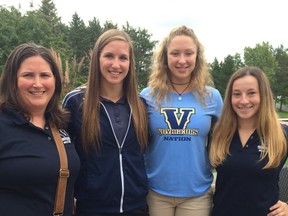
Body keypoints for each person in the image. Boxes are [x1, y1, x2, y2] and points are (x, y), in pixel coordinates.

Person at [62, 29, 149, 216]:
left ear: (130, 63)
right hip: (91, 208)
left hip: (137, 207)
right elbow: (62, 155)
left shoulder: (141, 104)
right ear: (97, 59)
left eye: (123, 58)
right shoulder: (75, 101)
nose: (116, 64)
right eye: (109, 56)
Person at [140, 25, 223, 216]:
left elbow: (225, 141)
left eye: (189, 53)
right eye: (175, 53)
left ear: (197, 57)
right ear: (165, 57)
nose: (182, 60)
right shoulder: (147, 96)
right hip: (155, 191)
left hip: (197, 194)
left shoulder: (213, 97)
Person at [0, 43, 80, 216]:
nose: (37, 84)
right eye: (28, 75)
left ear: (55, 81)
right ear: (12, 80)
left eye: (44, 75)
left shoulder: (61, 124)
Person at [209, 66, 288, 216]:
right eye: (237, 94)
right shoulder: (219, 133)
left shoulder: (281, 134)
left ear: (263, 95)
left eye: (251, 93)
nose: (243, 101)